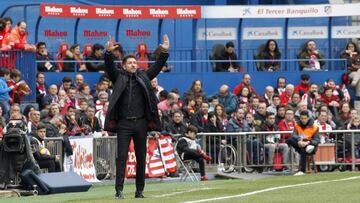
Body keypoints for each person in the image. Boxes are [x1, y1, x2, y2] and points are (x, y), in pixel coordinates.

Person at [104, 35, 169, 199]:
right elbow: (109, 67)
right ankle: (119, 190)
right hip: (124, 124)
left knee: (141, 158)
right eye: (130, 63)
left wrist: (164, 52)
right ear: (124, 66)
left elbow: (157, 67)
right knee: (122, 158)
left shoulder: (144, 76)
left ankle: (139, 191)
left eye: (135, 62)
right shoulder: (118, 77)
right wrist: (108, 53)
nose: (134, 64)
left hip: (141, 123)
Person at [286, 110, 320, 175]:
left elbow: (317, 140)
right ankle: (290, 166)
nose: (303, 120)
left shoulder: (315, 127)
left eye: (305, 118)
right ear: (300, 118)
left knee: (303, 148)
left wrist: (308, 142)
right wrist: (299, 141)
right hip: (300, 143)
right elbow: (294, 135)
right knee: (289, 139)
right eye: (301, 118)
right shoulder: (297, 126)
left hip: (310, 146)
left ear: (308, 118)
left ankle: (302, 170)